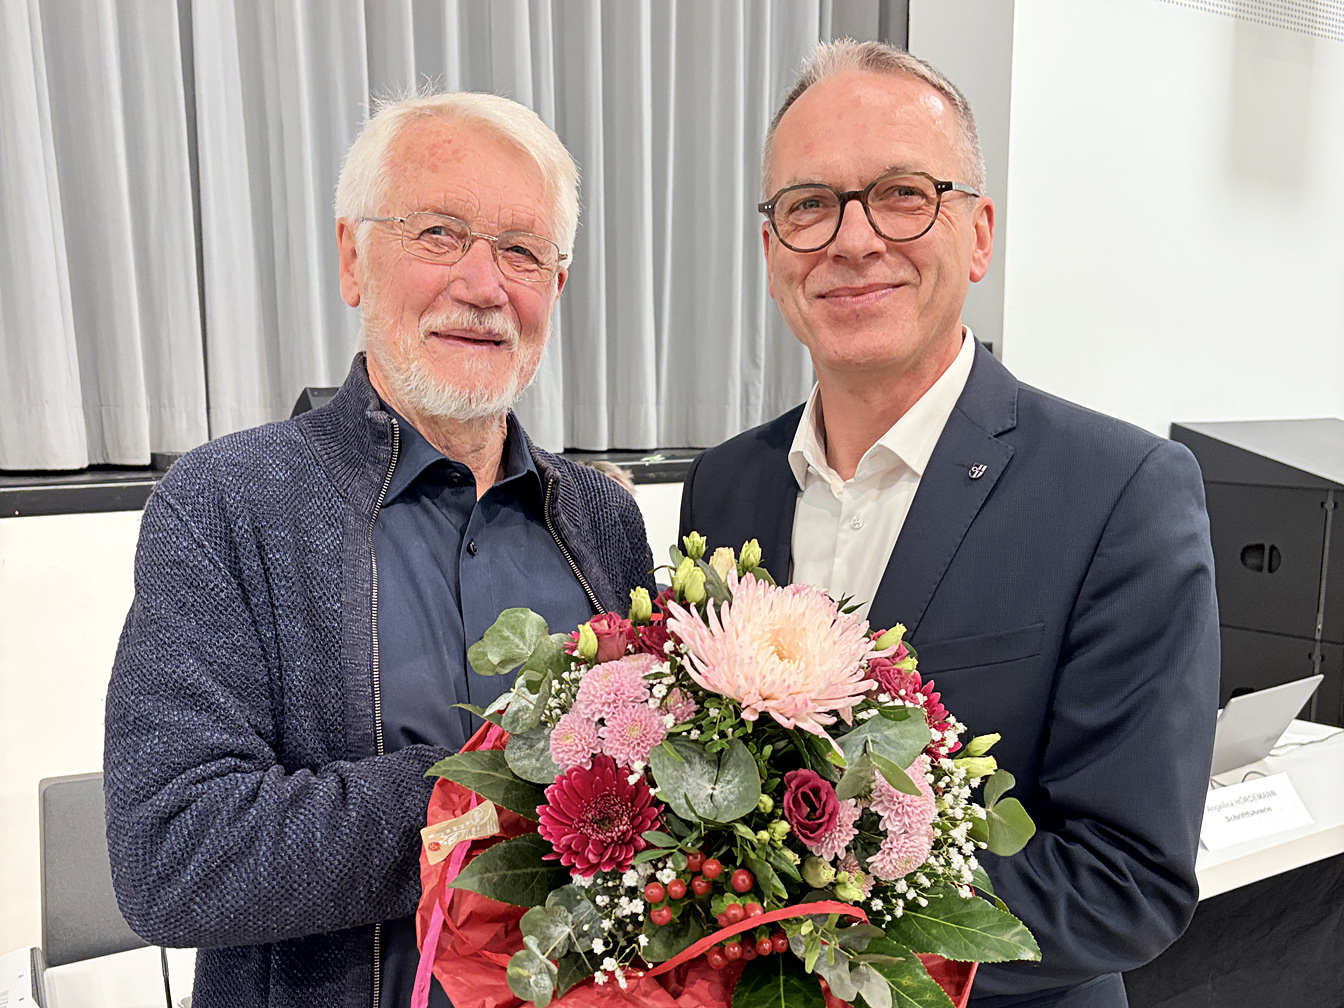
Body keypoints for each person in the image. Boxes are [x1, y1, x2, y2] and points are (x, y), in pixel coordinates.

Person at [680, 41, 1219, 1008]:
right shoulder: (724, 488)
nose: (852, 242)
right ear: (771, 256)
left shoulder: (1122, 493)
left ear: (978, 233)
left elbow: (1127, 882)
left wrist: (800, 933)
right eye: (808, 206)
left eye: (901, 193)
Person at [104, 92, 655, 1008]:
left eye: (522, 250)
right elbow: (176, 852)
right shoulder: (226, 506)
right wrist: (510, 795)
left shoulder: (602, 521)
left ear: (556, 287)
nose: (483, 286)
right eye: (439, 233)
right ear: (354, 257)